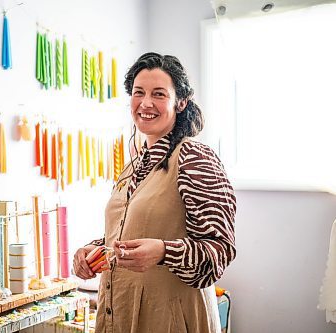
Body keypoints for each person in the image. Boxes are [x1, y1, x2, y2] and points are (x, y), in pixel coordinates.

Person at [73, 52, 236, 333]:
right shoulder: (134, 164)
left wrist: (163, 252)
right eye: (139, 93)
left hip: (169, 320)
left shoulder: (195, 158)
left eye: (159, 94)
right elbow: (130, 231)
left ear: (180, 102)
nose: (145, 103)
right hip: (120, 315)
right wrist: (95, 251)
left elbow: (218, 252)